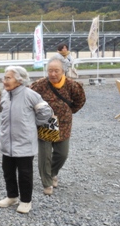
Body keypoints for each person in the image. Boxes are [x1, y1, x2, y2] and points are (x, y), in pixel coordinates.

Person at [0, 66, 53, 214]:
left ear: (19, 80)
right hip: (7, 142)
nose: (4, 81)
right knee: (7, 171)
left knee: (25, 173)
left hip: (24, 142)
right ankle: (12, 196)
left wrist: (34, 124)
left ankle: (26, 201)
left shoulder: (30, 94)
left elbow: (46, 111)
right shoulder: (5, 94)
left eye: (8, 78)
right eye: (4, 78)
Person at [31, 54, 86, 195]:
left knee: (62, 154)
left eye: (56, 71)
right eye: (50, 70)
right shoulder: (40, 85)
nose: (53, 74)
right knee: (45, 155)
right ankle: (47, 182)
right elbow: (29, 98)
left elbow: (80, 100)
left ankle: (53, 172)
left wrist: (68, 112)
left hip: (64, 124)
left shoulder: (72, 86)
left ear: (63, 71)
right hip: (46, 123)